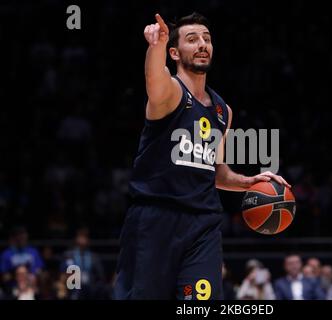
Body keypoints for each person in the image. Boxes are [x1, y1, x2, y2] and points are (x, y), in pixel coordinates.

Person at [114, 12, 289, 300]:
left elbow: (217, 172)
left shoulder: (223, 110)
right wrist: (155, 46)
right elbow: (153, 75)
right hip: (155, 219)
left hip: (203, 223)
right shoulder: (169, 92)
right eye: (192, 39)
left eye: (207, 39)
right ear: (174, 52)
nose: (202, 44)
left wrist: (248, 182)